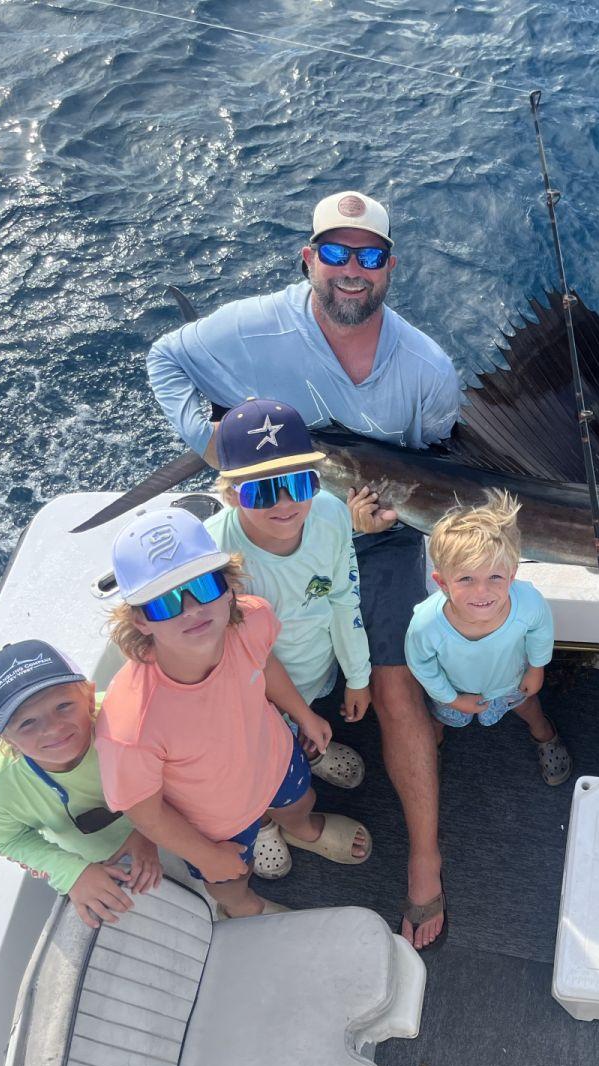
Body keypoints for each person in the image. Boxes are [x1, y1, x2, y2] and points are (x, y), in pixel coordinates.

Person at [146, 190, 458, 947]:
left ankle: (425, 861)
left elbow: (440, 466)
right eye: (337, 253)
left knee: (390, 684)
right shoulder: (255, 324)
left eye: (371, 256)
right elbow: (166, 358)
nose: (353, 270)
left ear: (390, 267)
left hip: (374, 538)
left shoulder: (427, 367)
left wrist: (382, 527)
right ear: (309, 258)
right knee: (236, 665)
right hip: (265, 518)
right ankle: (283, 786)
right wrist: (219, 449)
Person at [96, 507, 371, 918]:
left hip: (276, 761)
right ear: (140, 621)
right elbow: (145, 812)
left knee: (301, 801)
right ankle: (245, 908)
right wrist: (205, 855)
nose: (191, 609)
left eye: (205, 585)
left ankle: (301, 829)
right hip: (213, 824)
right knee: (229, 877)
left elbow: (265, 665)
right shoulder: (129, 722)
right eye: (166, 601)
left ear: (228, 587)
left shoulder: (252, 619)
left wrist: (302, 714)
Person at [205, 397, 371, 794]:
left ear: (318, 480)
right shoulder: (212, 552)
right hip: (252, 692)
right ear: (230, 495)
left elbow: (344, 598)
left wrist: (358, 676)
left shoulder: (331, 514)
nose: (284, 503)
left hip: (318, 669)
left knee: (303, 723)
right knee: (262, 753)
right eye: (260, 492)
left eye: (299, 483)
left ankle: (307, 744)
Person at [0, 640, 162, 928]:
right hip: (107, 865)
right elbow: (9, 840)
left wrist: (148, 831)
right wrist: (73, 872)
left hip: (169, 822)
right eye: (27, 723)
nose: (52, 728)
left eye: (63, 706)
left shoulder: (132, 714)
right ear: (4, 737)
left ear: (88, 696)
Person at [405, 491, 570, 789]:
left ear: (512, 573)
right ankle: (431, 751)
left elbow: (541, 630)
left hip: (513, 683)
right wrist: (452, 698)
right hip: (453, 691)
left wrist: (537, 667)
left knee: (529, 707)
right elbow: (421, 665)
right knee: (439, 721)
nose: (482, 592)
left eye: (495, 577)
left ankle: (544, 733)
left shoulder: (529, 602)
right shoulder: (425, 624)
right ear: (441, 582)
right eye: (466, 579)